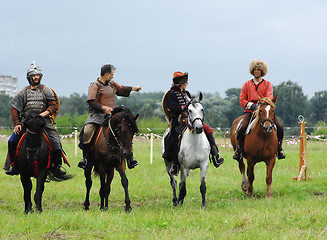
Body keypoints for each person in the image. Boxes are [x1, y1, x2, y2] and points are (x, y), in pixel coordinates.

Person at [4, 61, 67, 177]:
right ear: (29, 77)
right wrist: (17, 124)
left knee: (56, 139)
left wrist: (41, 115)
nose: (36, 77)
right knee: (12, 141)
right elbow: (15, 109)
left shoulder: (46, 90)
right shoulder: (23, 92)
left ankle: (57, 166)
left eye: (38, 75)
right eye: (34, 75)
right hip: (26, 123)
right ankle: (13, 165)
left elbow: (53, 106)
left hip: (43, 122)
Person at [78, 64, 142, 169]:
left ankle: (130, 158)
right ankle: (85, 159)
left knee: (125, 128)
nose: (113, 77)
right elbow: (92, 103)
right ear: (106, 74)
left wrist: (134, 88)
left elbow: (121, 89)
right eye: (112, 75)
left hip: (113, 115)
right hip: (97, 116)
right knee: (87, 131)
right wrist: (104, 108)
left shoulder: (111, 84)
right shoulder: (95, 85)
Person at [162, 71, 224, 176]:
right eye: (185, 82)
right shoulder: (171, 94)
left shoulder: (187, 93)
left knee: (208, 130)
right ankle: (175, 164)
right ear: (180, 83)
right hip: (178, 120)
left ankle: (215, 155)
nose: (186, 84)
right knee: (174, 136)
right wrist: (184, 108)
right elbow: (173, 108)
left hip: (191, 118)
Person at [233, 59, 286, 161]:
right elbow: (242, 99)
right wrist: (252, 106)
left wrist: (261, 105)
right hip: (250, 110)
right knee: (242, 127)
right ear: (252, 71)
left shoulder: (268, 84)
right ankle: (238, 149)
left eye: (258, 69)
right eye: (255, 69)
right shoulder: (247, 84)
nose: (256, 71)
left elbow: (269, 97)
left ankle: (279, 148)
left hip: (265, 110)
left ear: (262, 71)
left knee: (279, 127)